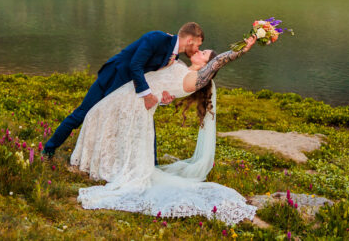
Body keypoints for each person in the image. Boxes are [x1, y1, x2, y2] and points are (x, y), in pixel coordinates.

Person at [71, 36, 258, 226]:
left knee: (95, 115)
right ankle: (95, 162)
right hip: (130, 94)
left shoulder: (197, 79)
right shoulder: (182, 67)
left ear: (207, 65)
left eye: (204, 54)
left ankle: (96, 165)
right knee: (95, 115)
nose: (200, 52)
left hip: (137, 104)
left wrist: (244, 48)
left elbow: (219, 61)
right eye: (202, 50)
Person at [42, 22, 205, 159]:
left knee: (141, 124)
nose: (198, 49)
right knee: (82, 114)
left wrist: (162, 99)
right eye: (199, 45)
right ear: (190, 40)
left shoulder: (173, 57)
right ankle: (48, 150)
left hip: (127, 91)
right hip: (112, 78)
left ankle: (149, 166)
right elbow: (135, 64)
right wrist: (147, 95)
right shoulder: (157, 38)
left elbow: (154, 80)